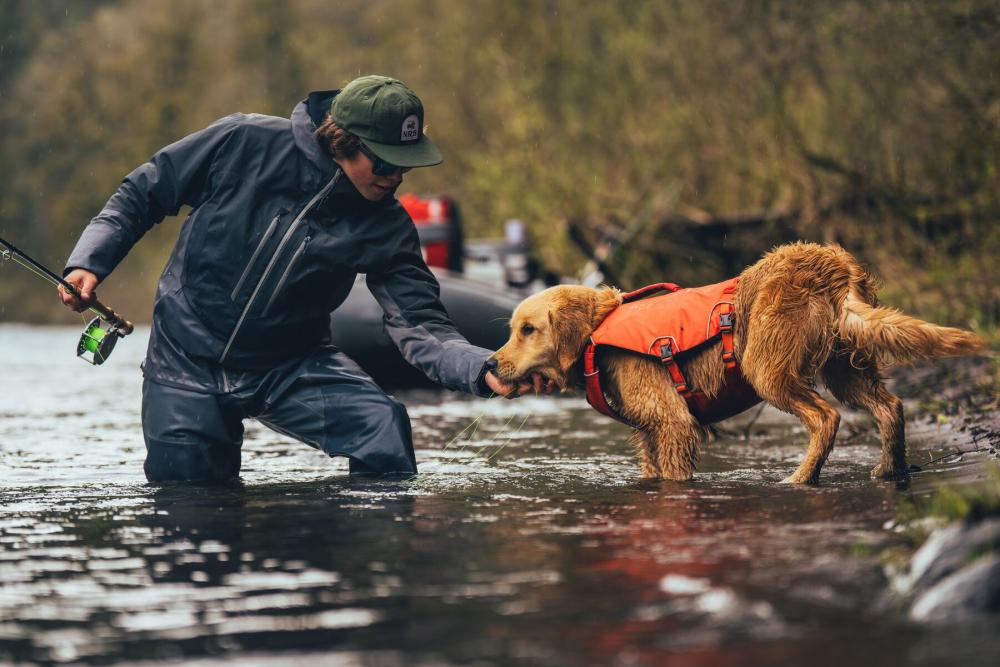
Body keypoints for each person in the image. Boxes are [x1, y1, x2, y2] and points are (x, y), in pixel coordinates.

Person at [59, 75, 547, 482]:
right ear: (342, 143)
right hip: (186, 360)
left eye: (407, 164)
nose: (396, 176)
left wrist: (484, 369)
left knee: (383, 427)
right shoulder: (242, 140)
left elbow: (421, 325)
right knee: (194, 513)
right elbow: (141, 194)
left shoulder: (389, 227)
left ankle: (356, 575)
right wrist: (89, 262)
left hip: (291, 364)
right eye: (385, 162)